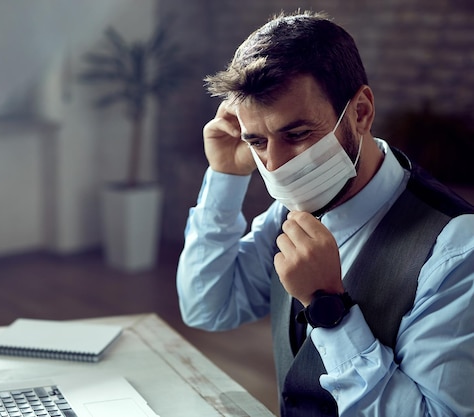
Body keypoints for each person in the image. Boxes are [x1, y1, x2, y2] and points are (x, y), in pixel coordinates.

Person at [176, 10, 474, 417]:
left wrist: (329, 310)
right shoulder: (290, 211)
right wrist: (225, 175)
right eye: (257, 141)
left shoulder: (457, 250)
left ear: (361, 112)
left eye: (297, 135)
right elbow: (208, 306)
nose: (276, 165)